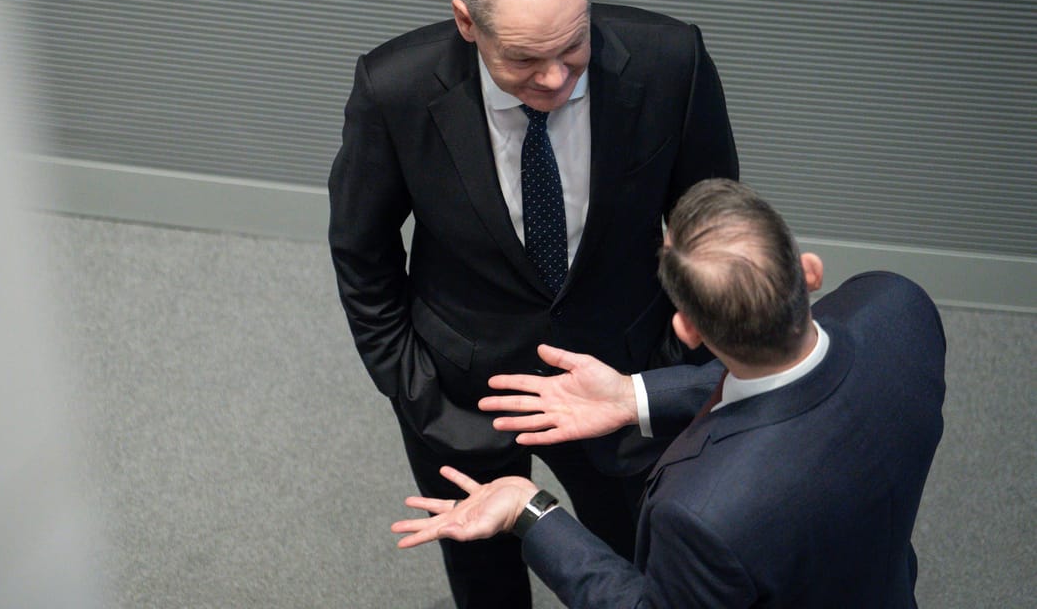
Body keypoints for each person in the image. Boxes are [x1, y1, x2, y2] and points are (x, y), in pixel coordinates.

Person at [328, 0, 737, 607]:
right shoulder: (393, 89)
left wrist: (667, 373)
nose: (551, 79)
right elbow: (361, 252)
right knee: (485, 585)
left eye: (571, 48)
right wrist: (416, 391)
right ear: (466, 22)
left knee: (636, 569)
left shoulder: (674, 63)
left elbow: (714, 227)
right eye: (520, 59)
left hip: (623, 382)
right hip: (460, 394)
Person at [392, 178, 947, 608]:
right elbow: (797, 378)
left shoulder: (702, 514)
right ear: (809, 271)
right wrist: (635, 396)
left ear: (689, 329)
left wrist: (529, 509)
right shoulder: (900, 312)